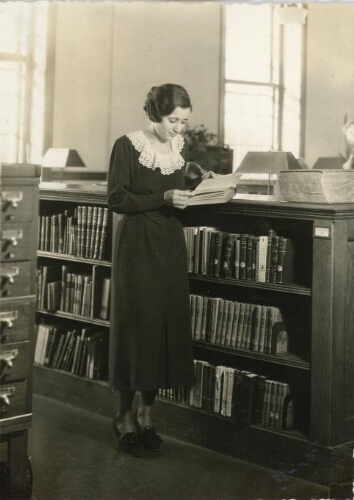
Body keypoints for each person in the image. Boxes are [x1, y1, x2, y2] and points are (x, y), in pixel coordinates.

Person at [107, 83, 214, 456]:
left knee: (164, 328)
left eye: (184, 121)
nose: (179, 129)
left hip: (169, 243)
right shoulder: (127, 145)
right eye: (173, 121)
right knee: (138, 327)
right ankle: (122, 416)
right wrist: (162, 198)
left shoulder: (182, 148)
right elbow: (117, 199)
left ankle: (146, 414)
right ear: (155, 114)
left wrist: (200, 185)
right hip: (137, 245)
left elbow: (177, 188)